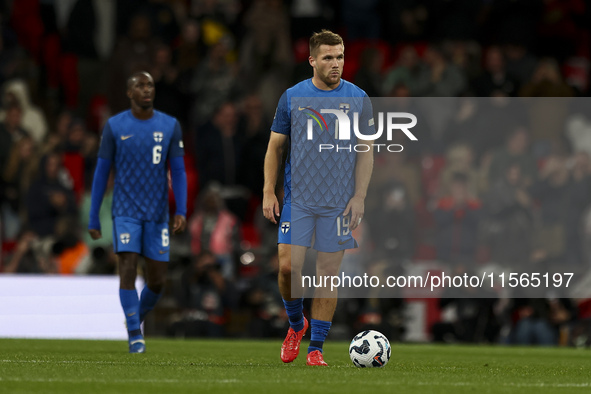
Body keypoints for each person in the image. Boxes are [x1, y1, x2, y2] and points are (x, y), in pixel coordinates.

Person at [263, 30, 374, 366]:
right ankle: (297, 325)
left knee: (327, 275)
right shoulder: (293, 97)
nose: (335, 63)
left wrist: (359, 196)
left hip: (338, 204)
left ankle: (316, 350)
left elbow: (366, 151)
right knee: (287, 268)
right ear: (312, 60)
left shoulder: (358, 98)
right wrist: (269, 190)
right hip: (299, 199)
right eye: (328, 57)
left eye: (339, 56)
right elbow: (275, 147)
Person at [88, 71, 187, 353]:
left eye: (150, 85)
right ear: (129, 93)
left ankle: (134, 318)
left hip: (157, 215)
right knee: (128, 268)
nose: (146, 90)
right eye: (139, 86)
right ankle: (135, 334)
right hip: (126, 212)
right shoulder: (115, 126)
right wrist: (94, 216)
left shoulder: (169, 126)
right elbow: (101, 172)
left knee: (156, 280)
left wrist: (180, 208)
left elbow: (177, 170)